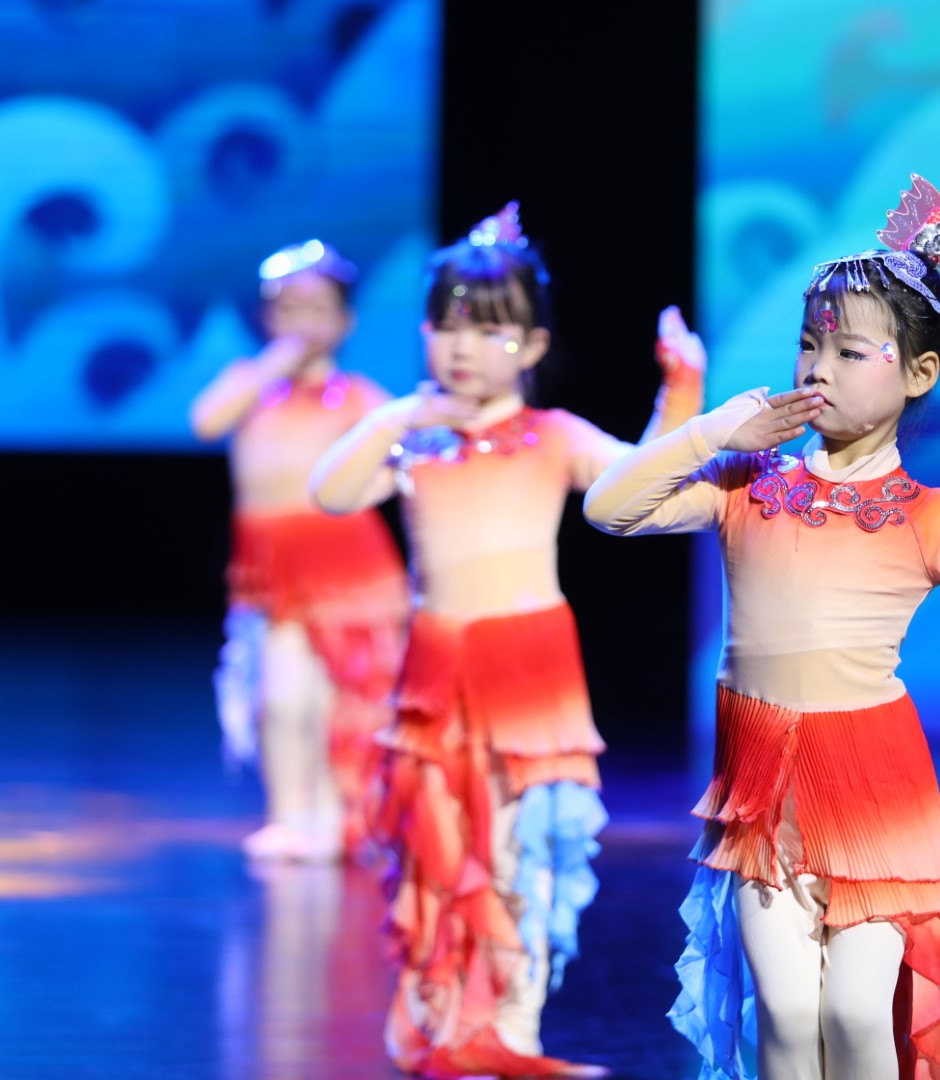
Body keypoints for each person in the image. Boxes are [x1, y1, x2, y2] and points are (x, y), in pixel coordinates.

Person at [583, 174, 940, 1080]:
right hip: (760, 787)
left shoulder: (926, 517)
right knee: (785, 1016)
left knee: (857, 1017)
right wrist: (712, 433)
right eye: (808, 344)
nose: (817, 368)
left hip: (871, 790)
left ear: (919, 374)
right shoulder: (747, 484)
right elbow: (608, 508)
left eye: (850, 351)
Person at [310, 203, 705, 1078]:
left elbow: (641, 480)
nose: (463, 347)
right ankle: (447, 1018)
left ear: (530, 345)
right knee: (441, 849)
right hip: (436, 676)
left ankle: (515, 1028)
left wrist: (680, 391)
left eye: (488, 330)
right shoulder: (419, 443)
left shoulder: (553, 437)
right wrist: (395, 418)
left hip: (530, 673)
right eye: (448, 325)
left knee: (530, 855)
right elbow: (332, 493)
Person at [190, 240, 408, 863]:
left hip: (347, 569)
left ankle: (341, 817)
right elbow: (206, 421)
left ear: (345, 322)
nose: (303, 323)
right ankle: (289, 815)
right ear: (268, 318)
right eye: (289, 309)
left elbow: (403, 453)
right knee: (282, 699)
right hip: (273, 569)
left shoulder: (357, 396)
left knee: (348, 698)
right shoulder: (252, 386)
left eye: (317, 310)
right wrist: (273, 364)